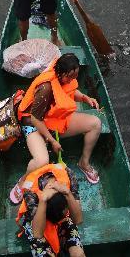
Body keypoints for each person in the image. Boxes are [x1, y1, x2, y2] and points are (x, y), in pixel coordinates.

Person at [10, 53, 102, 205]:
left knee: (95, 124)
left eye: (75, 76)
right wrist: (52, 140)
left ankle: (84, 163)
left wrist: (86, 98)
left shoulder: (67, 77)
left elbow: (71, 91)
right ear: (60, 73)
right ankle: (22, 183)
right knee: (42, 159)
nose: (73, 79)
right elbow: (35, 119)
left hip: (53, 121)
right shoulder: (45, 88)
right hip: (33, 125)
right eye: (70, 77)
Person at [16, 162, 85, 257]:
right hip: (37, 220)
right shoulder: (30, 193)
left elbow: (78, 219)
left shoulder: (68, 175)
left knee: (79, 254)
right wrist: (43, 199)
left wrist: (68, 193)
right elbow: (37, 233)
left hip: (59, 212)